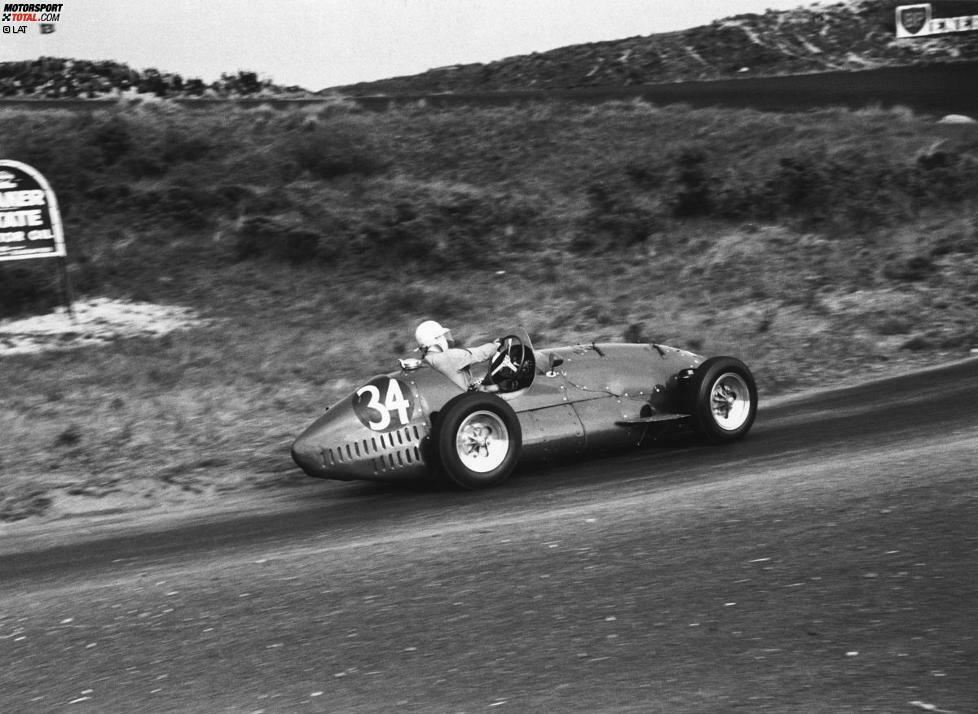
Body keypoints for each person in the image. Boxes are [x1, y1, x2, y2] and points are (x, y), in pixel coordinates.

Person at [414, 320, 502, 391]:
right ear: (437, 339)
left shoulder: (424, 363)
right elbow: (480, 353)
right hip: (464, 401)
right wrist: (495, 346)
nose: (445, 339)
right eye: (442, 336)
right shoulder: (449, 357)